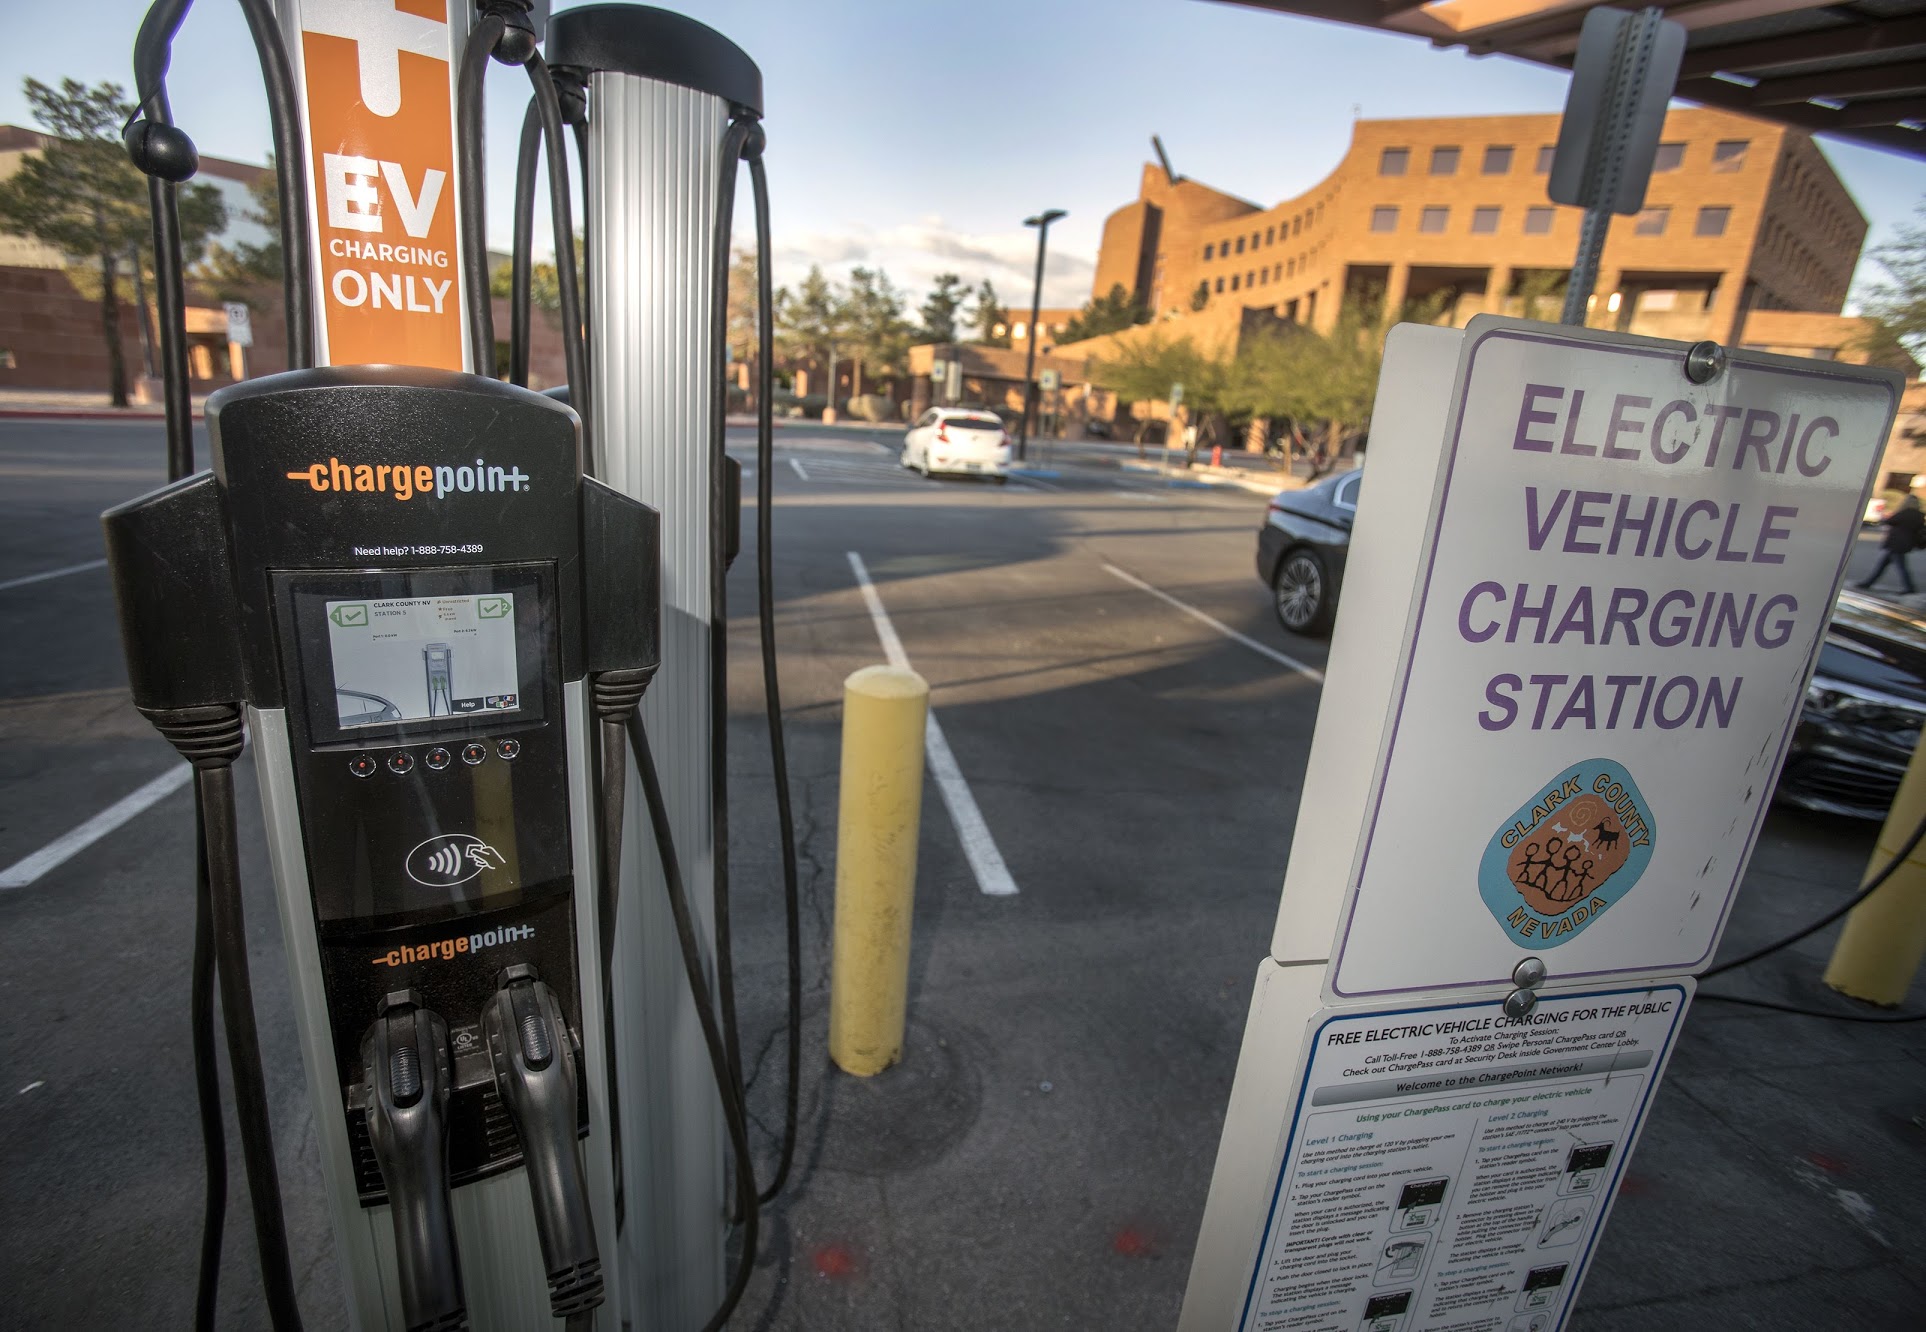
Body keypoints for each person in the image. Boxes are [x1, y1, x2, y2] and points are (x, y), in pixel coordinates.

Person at [1858, 494, 1926, 594]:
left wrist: (1884, 515)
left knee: (1900, 567)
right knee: (1883, 565)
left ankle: (1909, 588)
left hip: (1896, 543)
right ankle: (1868, 583)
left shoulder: (1904, 512)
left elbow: (1890, 521)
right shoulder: (1919, 516)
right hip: (1906, 543)